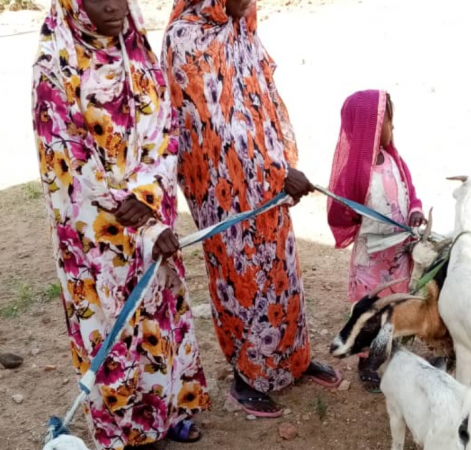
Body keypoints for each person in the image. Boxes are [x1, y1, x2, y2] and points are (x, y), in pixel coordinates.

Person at [32, 0, 209, 447]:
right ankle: (125, 432)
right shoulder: (55, 63)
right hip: (94, 228)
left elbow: (164, 130)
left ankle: (168, 413)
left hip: (150, 210)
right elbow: (68, 159)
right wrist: (126, 206)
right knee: (111, 326)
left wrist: (148, 201)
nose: (113, 5)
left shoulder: (138, 50)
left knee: (159, 313)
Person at [162, 0, 341, 418]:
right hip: (222, 187)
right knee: (240, 279)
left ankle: (292, 362)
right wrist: (275, 171)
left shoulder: (241, 27)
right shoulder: (186, 37)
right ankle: (246, 376)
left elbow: (264, 101)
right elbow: (214, 128)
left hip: (268, 180)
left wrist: (285, 164)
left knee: (282, 271)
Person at [327, 89, 425, 392]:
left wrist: (415, 212)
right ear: (368, 126)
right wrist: (359, 219)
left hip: (398, 255)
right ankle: (367, 358)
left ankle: (387, 345)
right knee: (371, 306)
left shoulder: (395, 160)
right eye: (387, 121)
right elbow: (341, 213)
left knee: (393, 303)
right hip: (372, 259)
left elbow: (410, 191)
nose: (391, 128)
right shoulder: (356, 173)